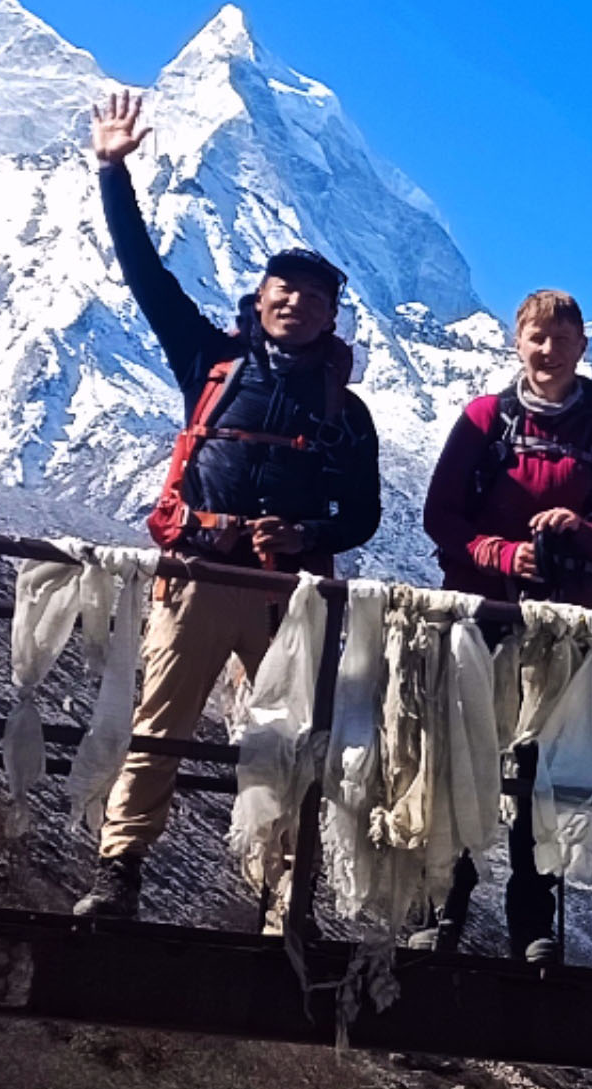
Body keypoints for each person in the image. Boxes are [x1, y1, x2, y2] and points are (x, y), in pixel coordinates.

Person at [75, 87, 386, 922]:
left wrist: (306, 532)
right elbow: (145, 272)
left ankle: (286, 892)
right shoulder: (209, 362)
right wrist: (113, 171)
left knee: (288, 746)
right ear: (258, 302)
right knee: (159, 730)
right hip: (198, 575)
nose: (294, 305)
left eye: (312, 298)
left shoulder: (346, 414)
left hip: (290, 597)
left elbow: (361, 518)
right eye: (281, 292)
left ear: (330, 317)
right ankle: (120, 871)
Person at [423, 288, 592, 964]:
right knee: (461, 757)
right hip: (482, 614)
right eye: (535, 337)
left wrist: (579, 529)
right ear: (517, 343)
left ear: (583, 345)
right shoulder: (484, 420)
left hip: (560, 629)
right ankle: (443, 907)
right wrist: (501, 553)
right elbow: (441, 519)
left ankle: (533, 922)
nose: (548, 349)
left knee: (544, 772)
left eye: (561, 337)